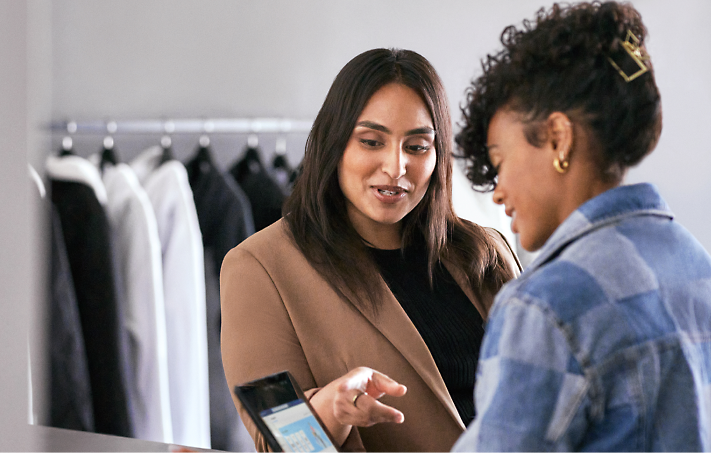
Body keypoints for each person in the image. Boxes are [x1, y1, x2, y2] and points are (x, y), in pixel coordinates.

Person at [451, 2, 711, 452]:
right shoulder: (697, 269)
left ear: (558, 138)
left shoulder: (545, 306)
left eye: (500, 161)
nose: (497, 192)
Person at [220, 48, 520, 453]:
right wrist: (330, 408)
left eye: (417, 147)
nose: (396, 167)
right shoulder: (259, 268)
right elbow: (278, 443)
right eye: (372, 141)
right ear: (335, 144)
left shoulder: (485, 251)